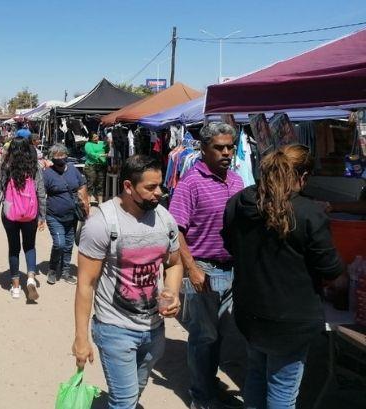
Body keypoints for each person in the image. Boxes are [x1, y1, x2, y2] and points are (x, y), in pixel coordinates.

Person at [221, 144, 342, 409]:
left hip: (250, 310)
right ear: (303, 176)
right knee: (282, 390)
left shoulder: (237, 203)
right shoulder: (309, 213)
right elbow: (330, 269)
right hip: (291, 320)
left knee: (255, 374)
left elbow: (231, 246)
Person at [73, 154, 183, 409]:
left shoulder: (165, 220)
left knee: (134, 394)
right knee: (124, 401)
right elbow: (85, 284)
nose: (159, 193)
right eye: (151, 188)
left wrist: (172, 292)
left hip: (153, 329)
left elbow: (174, 263)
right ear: (128, 186)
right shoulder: (102, 223)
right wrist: (81, 338)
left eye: (160, 186)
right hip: (115, 329)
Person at [167, 122, 245, 409]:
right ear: (204, 148)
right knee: (204, 337)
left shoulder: (237, 180)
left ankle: (209, 384)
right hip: (203, 269)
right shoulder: (191, 182)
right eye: (219, 147)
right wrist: (192, 269)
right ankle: (201, 396)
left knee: (220, 336)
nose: (226, 152)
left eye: (230, 147)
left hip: (231, 269)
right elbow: (176, 231)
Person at [0, 136, 46, 301]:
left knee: (13, 248)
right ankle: (30, 277)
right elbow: (41, 192)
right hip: (30, 214)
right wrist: (42, 215)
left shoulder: (5, 166)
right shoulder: (34, 167)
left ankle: (15, 287)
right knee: (30, 246)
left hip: (10, 213)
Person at [43, 144, 89, 285]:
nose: (60, 158)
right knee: (59, 244)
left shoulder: (73, 170)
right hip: (54, 215)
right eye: (56, 156)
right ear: (52, 158)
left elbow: (82, 187)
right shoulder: (47, 173)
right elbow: (40, 193)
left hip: (73, 215)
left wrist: (86, 207)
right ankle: (52, 269)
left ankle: (65, 271)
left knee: (69, 245)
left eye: (62, 155)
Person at [84, 133, 108, 205]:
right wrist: (100, 155)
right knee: (90, 183)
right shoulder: (88, 144)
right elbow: (90, 153)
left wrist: (108, 144)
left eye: (96, 136)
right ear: (90, 138)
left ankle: (100, 203)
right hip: (91, 166)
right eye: (94, 137)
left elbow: (107, 150)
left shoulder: (102, 143)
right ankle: (88, 203)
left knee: (100, 184)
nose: (96, 138)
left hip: (101, 165)